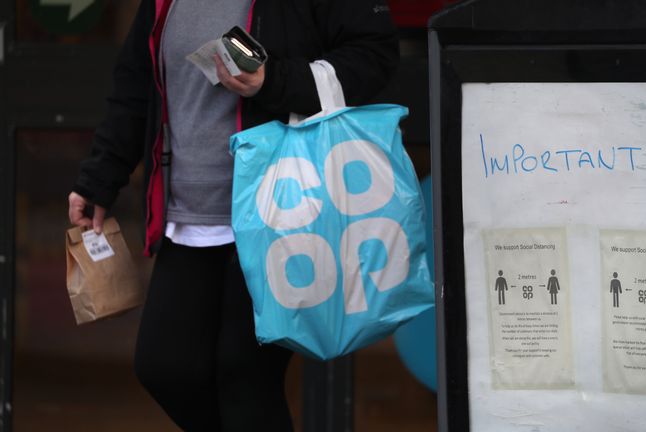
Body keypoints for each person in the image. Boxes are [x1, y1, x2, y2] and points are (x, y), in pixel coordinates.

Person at [67, 0, 398, 430]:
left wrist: (273, 80)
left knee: (246, 378)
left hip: (280, 215)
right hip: (188, 217)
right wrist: (100, 178)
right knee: (166, 369)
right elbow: (135, 88)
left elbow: (374, 57)